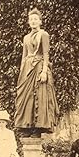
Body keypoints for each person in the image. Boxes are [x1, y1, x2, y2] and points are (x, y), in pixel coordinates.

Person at [15, 8, 59, 137]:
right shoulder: (26, 37)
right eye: (31, 19)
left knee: (39, 96)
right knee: (26, 96)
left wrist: (44, 71)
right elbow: (24, 56)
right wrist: (21, 73)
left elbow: (46, 54)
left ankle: (38, 128)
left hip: (39, 66)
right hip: (27, 69)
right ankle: (27, 126)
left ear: (40, 21)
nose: (33, 21)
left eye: (35, 19)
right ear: (28, 22)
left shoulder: (43, 34)